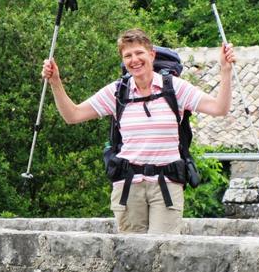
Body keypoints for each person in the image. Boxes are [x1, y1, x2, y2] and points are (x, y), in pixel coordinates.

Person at [41, 28, 236, 234]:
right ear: (123, 61)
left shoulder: (175, 89)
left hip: (166, 186)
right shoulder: (117, 92)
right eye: (128, 55)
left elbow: (219, 109)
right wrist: (56, 82)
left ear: (151, 55)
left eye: (139, 53)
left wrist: (225, 70)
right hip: (128, 186)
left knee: (163, 253)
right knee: (131, 259)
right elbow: (73, 115)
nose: (134, 60)